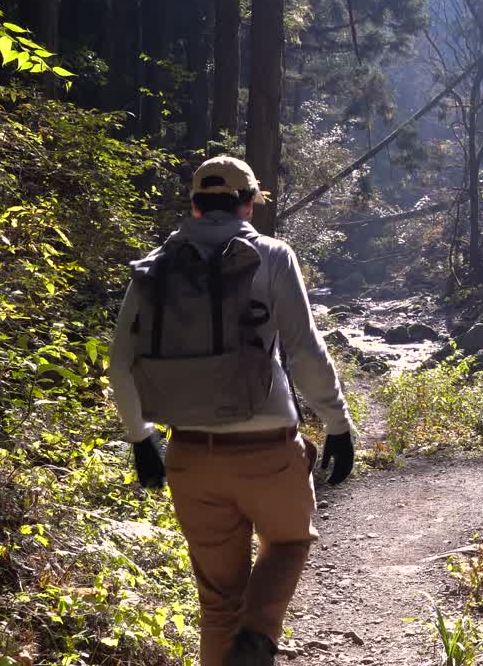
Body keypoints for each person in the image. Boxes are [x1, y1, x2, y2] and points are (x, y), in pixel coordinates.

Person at [108, 156, 355, 666]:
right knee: (289, 541)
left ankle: (236, 645)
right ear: (249, 204)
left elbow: (120, 364)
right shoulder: (272, 255)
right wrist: (337, 423)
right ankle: (258, 638)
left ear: (195, 205)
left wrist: (141, 438)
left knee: (217, 602)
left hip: (191, 454)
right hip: (269, 448)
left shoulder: (155, 266)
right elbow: (305, 352)